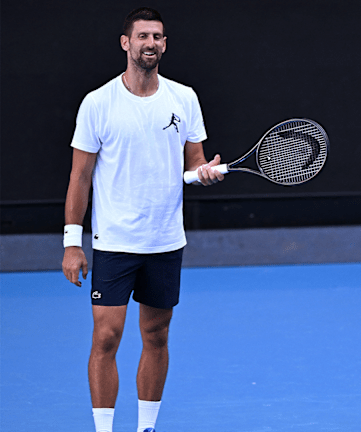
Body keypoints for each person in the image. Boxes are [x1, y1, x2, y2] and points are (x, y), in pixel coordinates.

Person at [61, 7, 225, 432]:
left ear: (164, 44)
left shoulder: (184, 98)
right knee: (106, 336)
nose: (150, 43)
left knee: (156, 335)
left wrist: (204, 174)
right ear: (126, 43)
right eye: (142, 36)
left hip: (165, 240)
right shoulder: (98, 103)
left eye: (157, 37)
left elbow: (193, 165)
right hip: (114, 241)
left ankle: (146, 428)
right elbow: (80, 176)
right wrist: (72, 242)